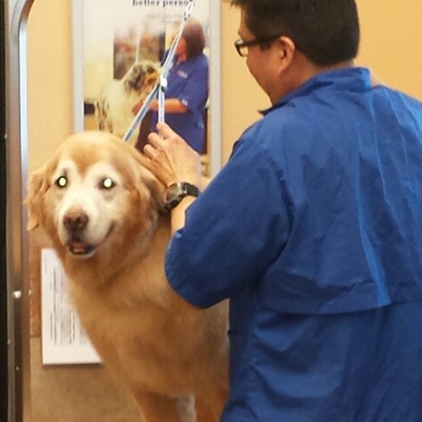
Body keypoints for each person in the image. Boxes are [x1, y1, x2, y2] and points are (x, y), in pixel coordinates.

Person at [143, 0, 422, 421]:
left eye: (245, 46)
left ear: (283, 51)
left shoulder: (272, 148)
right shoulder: (414, 121)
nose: (248, 60)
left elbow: (191, 272)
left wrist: (183, 185)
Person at [148, 19, 209, 153]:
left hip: (184, 134)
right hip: (160, 128)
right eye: (173, 37)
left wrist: (149, 104)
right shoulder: (170, 56)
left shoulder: (202, 66)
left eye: (178, 38)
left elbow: (184, 105)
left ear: (191, 42)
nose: (173, 42)